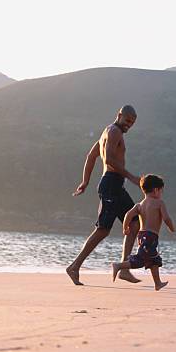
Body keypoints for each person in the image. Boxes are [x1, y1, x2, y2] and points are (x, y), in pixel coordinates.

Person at [66, 105, 142, 286]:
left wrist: (85, 181)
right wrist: (131, 177)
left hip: (114, 185)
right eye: (127, 121)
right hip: (111, 184)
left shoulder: (107, 132)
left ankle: (124, 269)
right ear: (119, 115)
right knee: (103, 229)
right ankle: (74, 267)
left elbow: (91, 156)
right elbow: (107, 159)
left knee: (134, 222)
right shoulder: (114, 131)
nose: (129, 125)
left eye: (132, 123)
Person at [112, 174, 175, 290]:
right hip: (150, 236)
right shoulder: (159, 203)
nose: (161, 194)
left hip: (142, 236)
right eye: (161, 191)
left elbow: (128, 215)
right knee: (141, 260)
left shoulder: (139, 205)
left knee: (153, 260)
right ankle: (119, 266)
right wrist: (171, 227)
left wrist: (125, 227)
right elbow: (166, 218)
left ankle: (157, 283)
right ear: (156, 190)